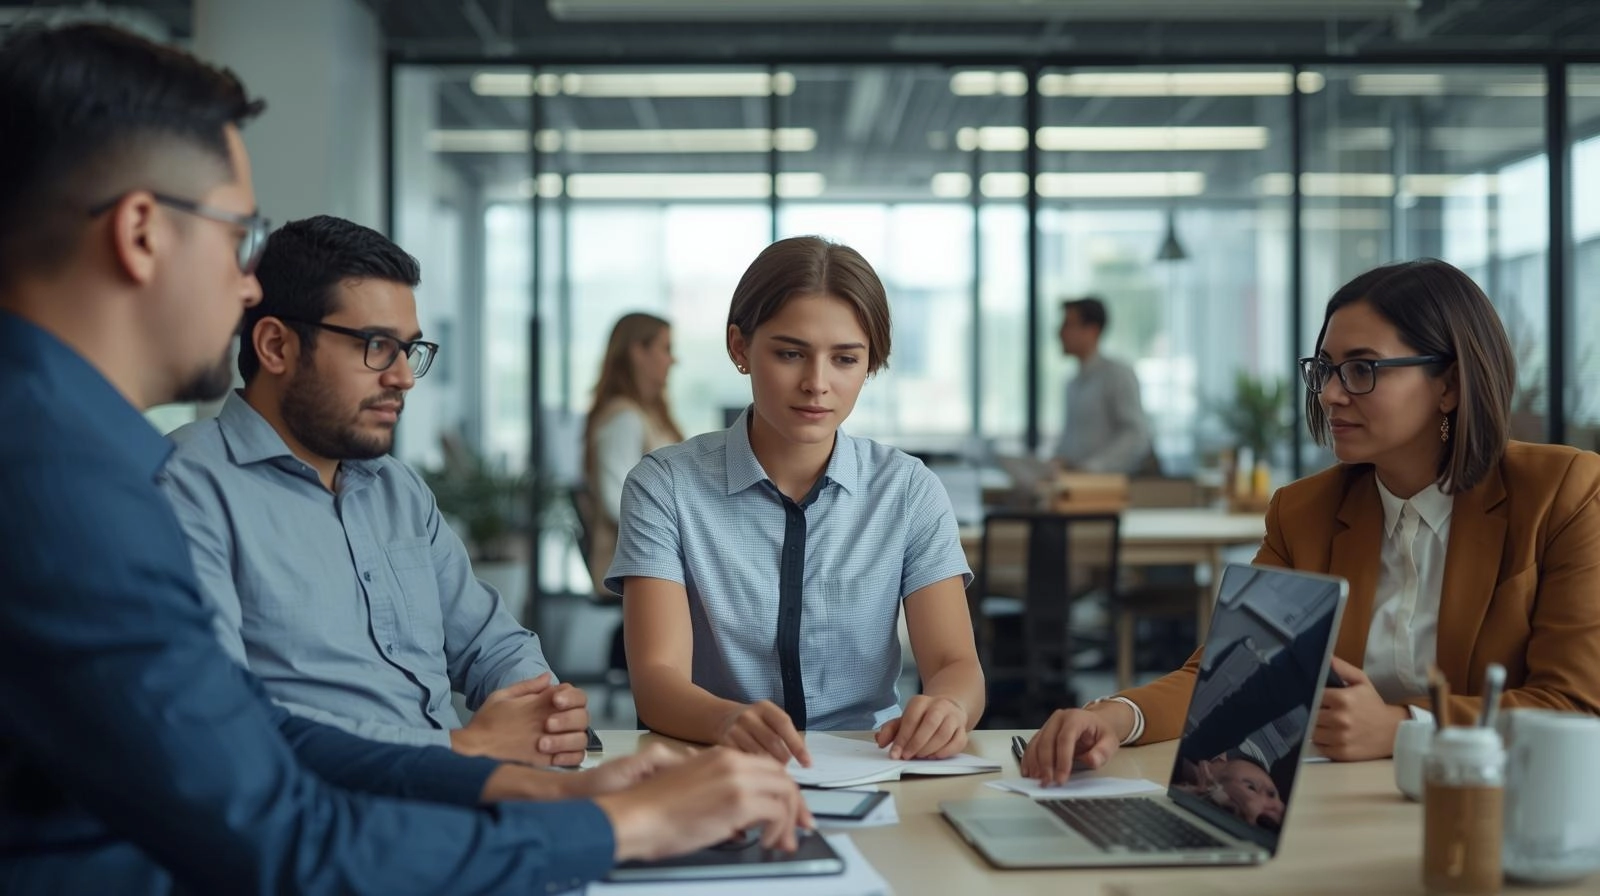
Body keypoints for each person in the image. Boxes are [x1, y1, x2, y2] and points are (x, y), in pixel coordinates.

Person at [0, 23, 806, 894]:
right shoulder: (66, 484)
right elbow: (281, 837)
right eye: (237, 235)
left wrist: (515, 781)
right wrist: (615, 826)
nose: (244, 281)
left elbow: (247, 735)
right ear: (143, 232)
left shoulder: (71, 450)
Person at [1022, 258, 1600, 785]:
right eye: (1325, 369)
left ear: (1448, 384)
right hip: (1342, 805)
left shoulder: (1560, 494)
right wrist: (1119, 715)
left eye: (1362, 370)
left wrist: (1406, 726)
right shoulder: (1304, 512)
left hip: (1500, 809)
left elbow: (1575, 706)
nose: (1329, 394)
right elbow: (1225, 674)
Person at [161, 215, 588, 766]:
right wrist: (460, 747)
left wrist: (549, 713)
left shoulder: (398, 490)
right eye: (377, 346)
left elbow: (491, 643)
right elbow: (221, 718)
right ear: (275, 346)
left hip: (462, 798)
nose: (404, 377)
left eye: (408, 349)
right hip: (331, 818)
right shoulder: (188, 485)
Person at [611, 235, 985, 764]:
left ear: (871, 363)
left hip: (872, 766)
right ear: (740, 347)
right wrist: (731, 721)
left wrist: (948, 707)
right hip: (713, 764)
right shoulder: (665, 486)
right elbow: (657, 679)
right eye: (790, 353)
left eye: (845, 359)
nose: (817, 383)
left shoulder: (907, 490)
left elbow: (955, 663)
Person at [582, 312, 685, 596]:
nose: (672, 360)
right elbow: (618, 500)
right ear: (638, 352)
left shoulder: (649, 415)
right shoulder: (624, 419)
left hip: (657, 559)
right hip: (642, 564)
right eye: (666, 349)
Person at [1053, 296, 1153, 474]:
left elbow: (1136, 436)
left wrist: (1093, 467)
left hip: (1108, 486)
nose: (1060, 333)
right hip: (1076, 485)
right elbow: (1072, 441)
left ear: (1092, 330)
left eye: (1068, 324)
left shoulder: (1117, 375)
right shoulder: (1072, 384)